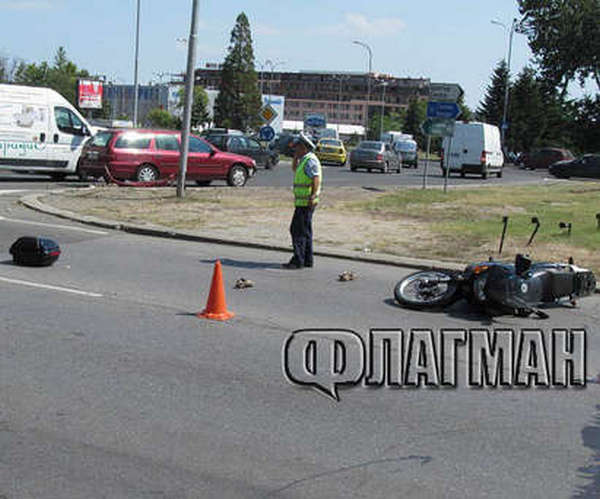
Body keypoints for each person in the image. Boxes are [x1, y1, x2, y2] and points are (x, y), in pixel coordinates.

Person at [282, 132, 322, 269]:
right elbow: (294, 169)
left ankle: (298, 260)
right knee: (305, 231)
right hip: (303, 202)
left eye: (297, 147)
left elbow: (315, 178)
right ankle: (307, 260)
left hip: (306, 202)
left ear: (304, 147)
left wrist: (312, 195)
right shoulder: (304, 159)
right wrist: (295, 157)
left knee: (297, 230)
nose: (295, 149)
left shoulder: (310, 160)